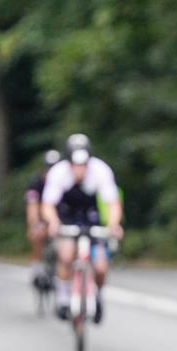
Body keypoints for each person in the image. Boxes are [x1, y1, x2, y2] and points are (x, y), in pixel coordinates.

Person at [41, 134, 124, 323]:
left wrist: (113, 224)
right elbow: (47, 204)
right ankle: (63, 297)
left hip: (91, 216)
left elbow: (113, 203)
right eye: (75, 165)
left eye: (83, 165)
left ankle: (98, 294)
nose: (79, 170)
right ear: (69, 162)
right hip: (67, 215)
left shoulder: (101, 170)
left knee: (101, 267)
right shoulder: (58, 173)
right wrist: (53, 222)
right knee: (66, 254)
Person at [26, 149, 62, 286]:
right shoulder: (36, 181)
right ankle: (37, 267)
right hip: (42, 215)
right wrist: (33, 224)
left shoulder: (64, 180)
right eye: (48, 169)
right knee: (37, 234)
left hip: (61, 215)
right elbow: (32, 205)